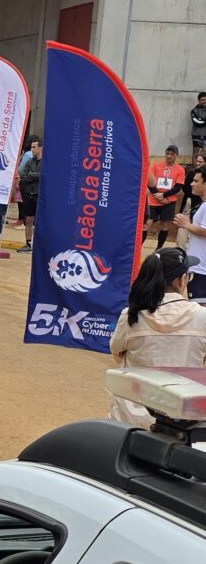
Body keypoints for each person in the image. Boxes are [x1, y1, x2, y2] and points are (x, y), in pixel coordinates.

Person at [109, 245, 206, 426]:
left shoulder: (132, 315)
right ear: (181, 280)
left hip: (131, 418)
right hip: (181, 421)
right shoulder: (202, 317)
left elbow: (117, 353)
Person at [175, 167, 206, 300]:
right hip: (198, 267)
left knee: (200, 307)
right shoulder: (202, 205)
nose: (191, 184)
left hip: (201, 269)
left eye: (196, 181)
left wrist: (186, 225)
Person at [147, 145, 185, 250]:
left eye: (172, 154)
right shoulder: (156, 166)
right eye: (167, 153)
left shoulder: (180, 169)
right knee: (147, 223)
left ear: (176, 155)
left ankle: (158, 249)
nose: (169, 156)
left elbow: (178, 187)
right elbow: (149, 182)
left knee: (164, 225)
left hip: (168, 201)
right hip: (153, 200)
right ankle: (137, 248)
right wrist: (157, 195)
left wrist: (164, 195)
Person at [18, 137, 42, 251]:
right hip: (29, 193)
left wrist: (31, 175)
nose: (32, 149)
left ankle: (38, 244)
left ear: (41, 148)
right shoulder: (29, 161)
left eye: (34, 147)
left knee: (39, 221)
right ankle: (28, 243)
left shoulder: (46, 162)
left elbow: (43, 175)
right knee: (28, 219)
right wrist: (33, 175)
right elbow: (22, 174)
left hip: (39, 194)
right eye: (31, 147)